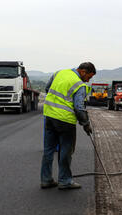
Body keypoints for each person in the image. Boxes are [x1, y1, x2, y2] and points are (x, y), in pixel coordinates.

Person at [40, 62, 95, 190]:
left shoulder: (59, 73)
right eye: (89, 77)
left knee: (48, 151)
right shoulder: (79, 84)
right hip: (65, 121)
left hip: (49, 116)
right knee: (66, 150)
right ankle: (64, 180)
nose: (88, 81)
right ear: (83, 72)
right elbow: (79, 107)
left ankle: (46, 180)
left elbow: (48, 89)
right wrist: (86, 124)